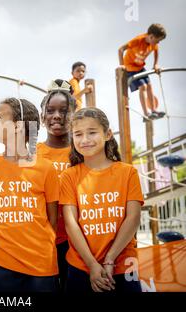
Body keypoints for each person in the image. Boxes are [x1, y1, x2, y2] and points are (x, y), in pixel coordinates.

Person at [0, 98, 59, 292]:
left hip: (41, 266)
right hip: (1, 264)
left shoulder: (46, 168)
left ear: (18, 127)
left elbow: (52, 220)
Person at [60, 107, 143, 293]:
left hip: (124, 264)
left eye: (92, 132)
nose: (85, 140)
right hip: (80, 265)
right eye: (78, 134)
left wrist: (110, 259)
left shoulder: (128, 172)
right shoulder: (69, 176)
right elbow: (70, 223)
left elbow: (133, 219)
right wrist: (92, 264)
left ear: (107, 134)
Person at [37, 79, 77, 292]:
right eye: (50, 110)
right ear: (43, 116)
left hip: (80, 243)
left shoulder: (84, 151)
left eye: (64, 111)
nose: (57, 116)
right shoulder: (33, 154)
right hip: (45, 242)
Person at [118, 23, 166, 120]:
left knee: (149, 86)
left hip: (140, 67)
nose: (158, 43)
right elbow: (121, 49)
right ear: (151, 36)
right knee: (143, 86)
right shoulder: (138, 40)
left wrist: (155, 64)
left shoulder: (154, 44)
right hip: (130, 68)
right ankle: (146, 114)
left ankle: (153, 110)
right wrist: (122, 64)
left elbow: (156, 53)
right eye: (158, 40)